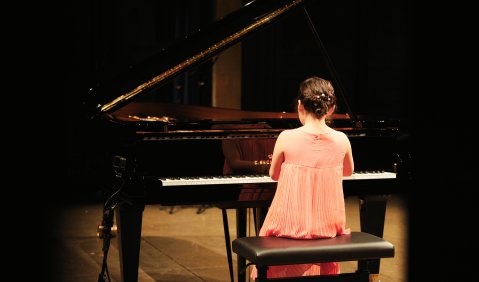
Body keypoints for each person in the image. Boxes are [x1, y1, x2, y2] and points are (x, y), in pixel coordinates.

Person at [250, 76, 355, 279]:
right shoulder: (342, 139)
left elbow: (274, 175)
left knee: (271, 225)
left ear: (300, 105)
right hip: (328, 227)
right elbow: (348, 172)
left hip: (289, 226)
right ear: (331, 108)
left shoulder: (286, 137)